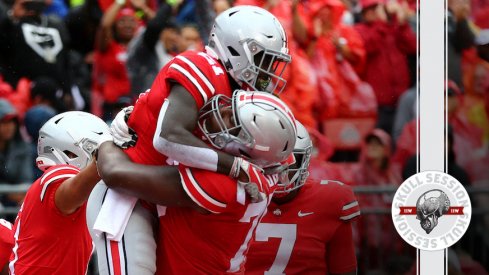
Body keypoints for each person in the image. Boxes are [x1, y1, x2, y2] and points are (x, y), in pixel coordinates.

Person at [87, 5, 291, 274]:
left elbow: (163, 144)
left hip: (153, 189)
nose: (268, 74)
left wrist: (106, 145)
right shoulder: (202, 67)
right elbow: (168, 137)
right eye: (265, 60)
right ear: (236, 50)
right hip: (130, 196)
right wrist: (234, 165)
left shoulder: (232, 178)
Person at [94, 90, 297, 274]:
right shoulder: (269, 162)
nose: (219, 113)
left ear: (246, 150)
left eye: (230, 120)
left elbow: (115, 174)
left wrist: (107, 137)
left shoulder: (224, 187)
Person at [245, 121, 360, 275]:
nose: (279, 170)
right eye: (269, 160)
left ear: (304, 161)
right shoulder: (237, 197)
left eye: (288, 161)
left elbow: (344, 270)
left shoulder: (330, 200)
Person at [8, 111, 112, 274]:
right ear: (71, 152)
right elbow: (71, 192)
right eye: (96, 152)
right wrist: (101, 161)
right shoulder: (58, 175)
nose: (108, 156)